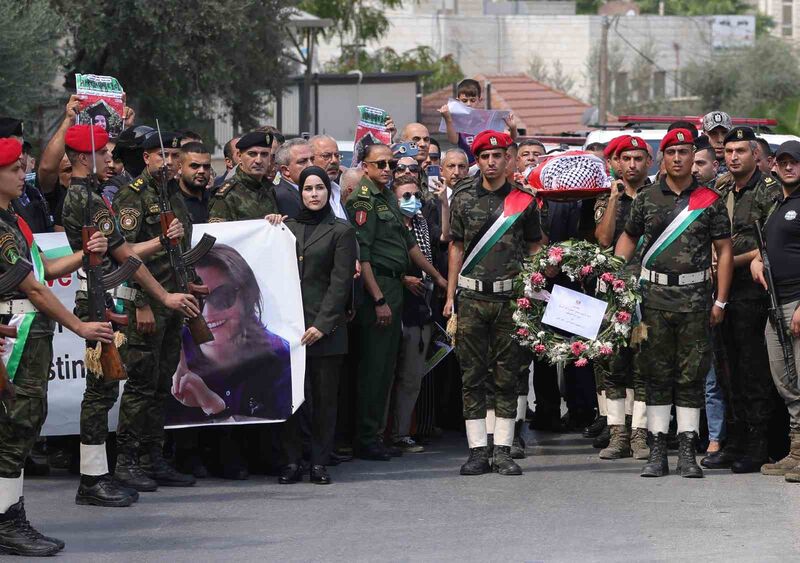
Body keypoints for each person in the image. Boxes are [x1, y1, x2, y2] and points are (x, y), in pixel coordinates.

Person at [60, 124, 200, 506]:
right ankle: (95, 477)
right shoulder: (84, 199)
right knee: (101, 391)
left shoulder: (91, 195)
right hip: (102, 300)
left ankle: (108, 471)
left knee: (112, 389)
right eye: (102, 152)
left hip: (110, 298)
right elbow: (126, 254)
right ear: (82, 157)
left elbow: (123, 251)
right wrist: (157, 296)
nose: (110, 157)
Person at [0, 138, 115, 556]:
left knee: (24, 422)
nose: (22, 175)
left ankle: (9, 514)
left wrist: (86, 254)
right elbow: (33, 287)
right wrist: (79, 326)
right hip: (17, 332)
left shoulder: (13, 218)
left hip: (31, 333)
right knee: (16, 426)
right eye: (14, 169)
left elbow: (45, 268)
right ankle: (8, 521)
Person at [615, 128, 733, 479]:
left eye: (684, 151)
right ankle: (656, 451)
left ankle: (686, 452)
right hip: (653, 301)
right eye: (672, 152)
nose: (679, 158)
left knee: (691, 378)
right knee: (655, 376)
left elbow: (724, 251)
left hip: (696, 301)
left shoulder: (709, 200)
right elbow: (629, 237)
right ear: (662, 158)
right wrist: (615, 276)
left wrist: (721, 301)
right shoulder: (648, 198)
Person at [445, 130, 542, 476]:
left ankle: (502, 450)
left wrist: (540, 275)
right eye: (484, 156)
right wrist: (449, 297)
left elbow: (534, 246)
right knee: (472, 375)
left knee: (507, 375)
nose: (490, 162)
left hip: (509, 299)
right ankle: (476, 450)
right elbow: (455, 247)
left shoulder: (524, 200)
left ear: (508, 159)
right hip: (471, 297)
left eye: (496, 156)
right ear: (478, 160)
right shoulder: (463, 198)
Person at [346, 142, 447, 461]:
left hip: (394, 283)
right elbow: (365, 257)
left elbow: (410, 246)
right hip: (379, 287)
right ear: (365, 166)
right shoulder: (363, 201)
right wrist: (377, 299)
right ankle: (366, 437)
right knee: (375, 368)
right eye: (381, 164)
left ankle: (378, 433)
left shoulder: (388, 196)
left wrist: (440, 278)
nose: (388, 169)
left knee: (388, 366)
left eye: (391, 164)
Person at [111, 130, 200, 490]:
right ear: (146, 158)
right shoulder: (132, 198)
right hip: (147, 303)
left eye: (174, 156)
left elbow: (180, 249)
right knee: (141, 384)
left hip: (175, 301)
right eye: (162, 155)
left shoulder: (174, 197)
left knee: (163, 383)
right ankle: (127, 461)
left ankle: (153, 457)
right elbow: (126, 254)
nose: (169, 162)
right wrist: (142, 301)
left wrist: (190, 281)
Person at [698, 127, 781, 474]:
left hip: (751, 290)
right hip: (720, 289)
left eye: (741, 151)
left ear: (756, 156)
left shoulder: (769, 191)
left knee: (752, 369)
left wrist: (730, 260)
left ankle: (758, 443)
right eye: (728, 151)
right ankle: (733, 439)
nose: (733, 157)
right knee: (726, 366)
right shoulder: (718, 189)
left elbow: (770, 242)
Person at [269, 166, 356, 484]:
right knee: (292, 399)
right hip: (291, 330)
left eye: (320, 188)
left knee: (324, 400)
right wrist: (270, 226)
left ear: (328, 192)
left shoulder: (341, 230)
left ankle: (319, 461)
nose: (314, 194)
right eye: (308, 189)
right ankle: (292, 461)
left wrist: (322, 324)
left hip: (325, 331)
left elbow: (340, 283)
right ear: (300, 193)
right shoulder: (285, 227)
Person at [170, 244, 292, 422]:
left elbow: (280, 424)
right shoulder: (171, 352)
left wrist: (215, 407)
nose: (207, 314)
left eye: (223, 296)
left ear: (247, 296)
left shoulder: (278, 355)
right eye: (195, 300)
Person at [593, 135, 652, 460]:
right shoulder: (606, 198)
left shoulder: (658, 197)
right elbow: (602, 239)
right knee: (614, 366)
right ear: (618, 162)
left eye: (638, 159)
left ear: (648, 162)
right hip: (613, 294)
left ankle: (640, 436)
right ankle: (618, 434)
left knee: (643, 367)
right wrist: (615, 198)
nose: (632, 165)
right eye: (626, 159)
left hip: (648, 293)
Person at [750, 140, 800, 483]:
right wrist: (755, 259)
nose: (788, 167)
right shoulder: (776, 204)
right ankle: (796, 451)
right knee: (786, 384)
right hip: (775, 303)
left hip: (797, 302)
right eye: (782, 161)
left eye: (794, 162)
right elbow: (768, 248)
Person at [389, 178, 444, 453]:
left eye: (415, 195)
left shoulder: (422, 225)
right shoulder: (387, 227)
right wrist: (401, 278)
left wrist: (444, 202)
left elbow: (444, 239)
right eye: (405, 195)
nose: (412, 200)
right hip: (395, 311)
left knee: (412, 378)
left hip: (422, 310)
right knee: (388, 377)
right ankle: (383, 434)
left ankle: (402, 433)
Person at [438, 78, 518, 165]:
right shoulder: (456, 120)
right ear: (458, 101)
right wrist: (448, 119)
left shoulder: (487, 119)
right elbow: (453, 140)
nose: (468, 104)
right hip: (468, 168)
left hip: (487, 166)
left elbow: (510, 139)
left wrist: (513, 127)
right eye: (464, 100)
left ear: (479, 100)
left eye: (472, 100)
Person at [208, 131, 279, 222]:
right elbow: (219, 233)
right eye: (252, 154)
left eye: (264, 154)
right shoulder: (227, 195)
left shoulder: (271, 189)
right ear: (239, 156)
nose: (259, 160)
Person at [275, 138, 314, 219]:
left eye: (312, 159)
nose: (311, 165)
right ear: (285, 170)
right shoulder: (282, 196)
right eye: (302, 161)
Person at [310, 135, 347, 219]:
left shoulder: (336, 190)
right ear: (311, 159)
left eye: (337, 155)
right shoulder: (306, 195)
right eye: (326, 156)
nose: (334, 161)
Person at [177, 142, 212, 224]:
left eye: (206, 166)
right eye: (195, 166)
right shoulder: (171, 202)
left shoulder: (216, 198)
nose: (202, 171)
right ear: (179, 168)